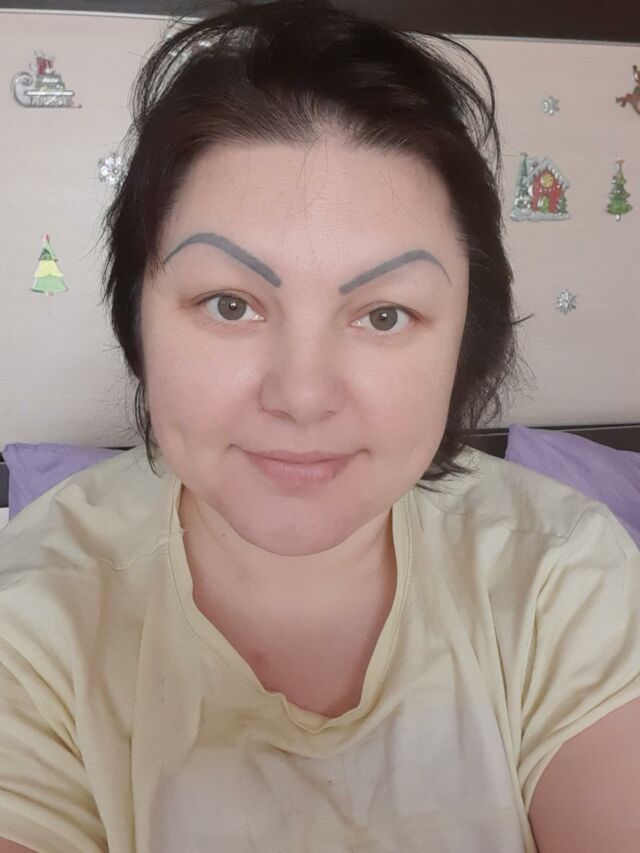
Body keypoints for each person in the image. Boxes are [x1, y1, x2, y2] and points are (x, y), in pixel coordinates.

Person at [1, 1, 639, 851]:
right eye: (229, 304)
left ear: (465, 342)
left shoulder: (561, 571)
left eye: (384, 314)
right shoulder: (33, 621)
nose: (302, 395)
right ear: (139, 323)